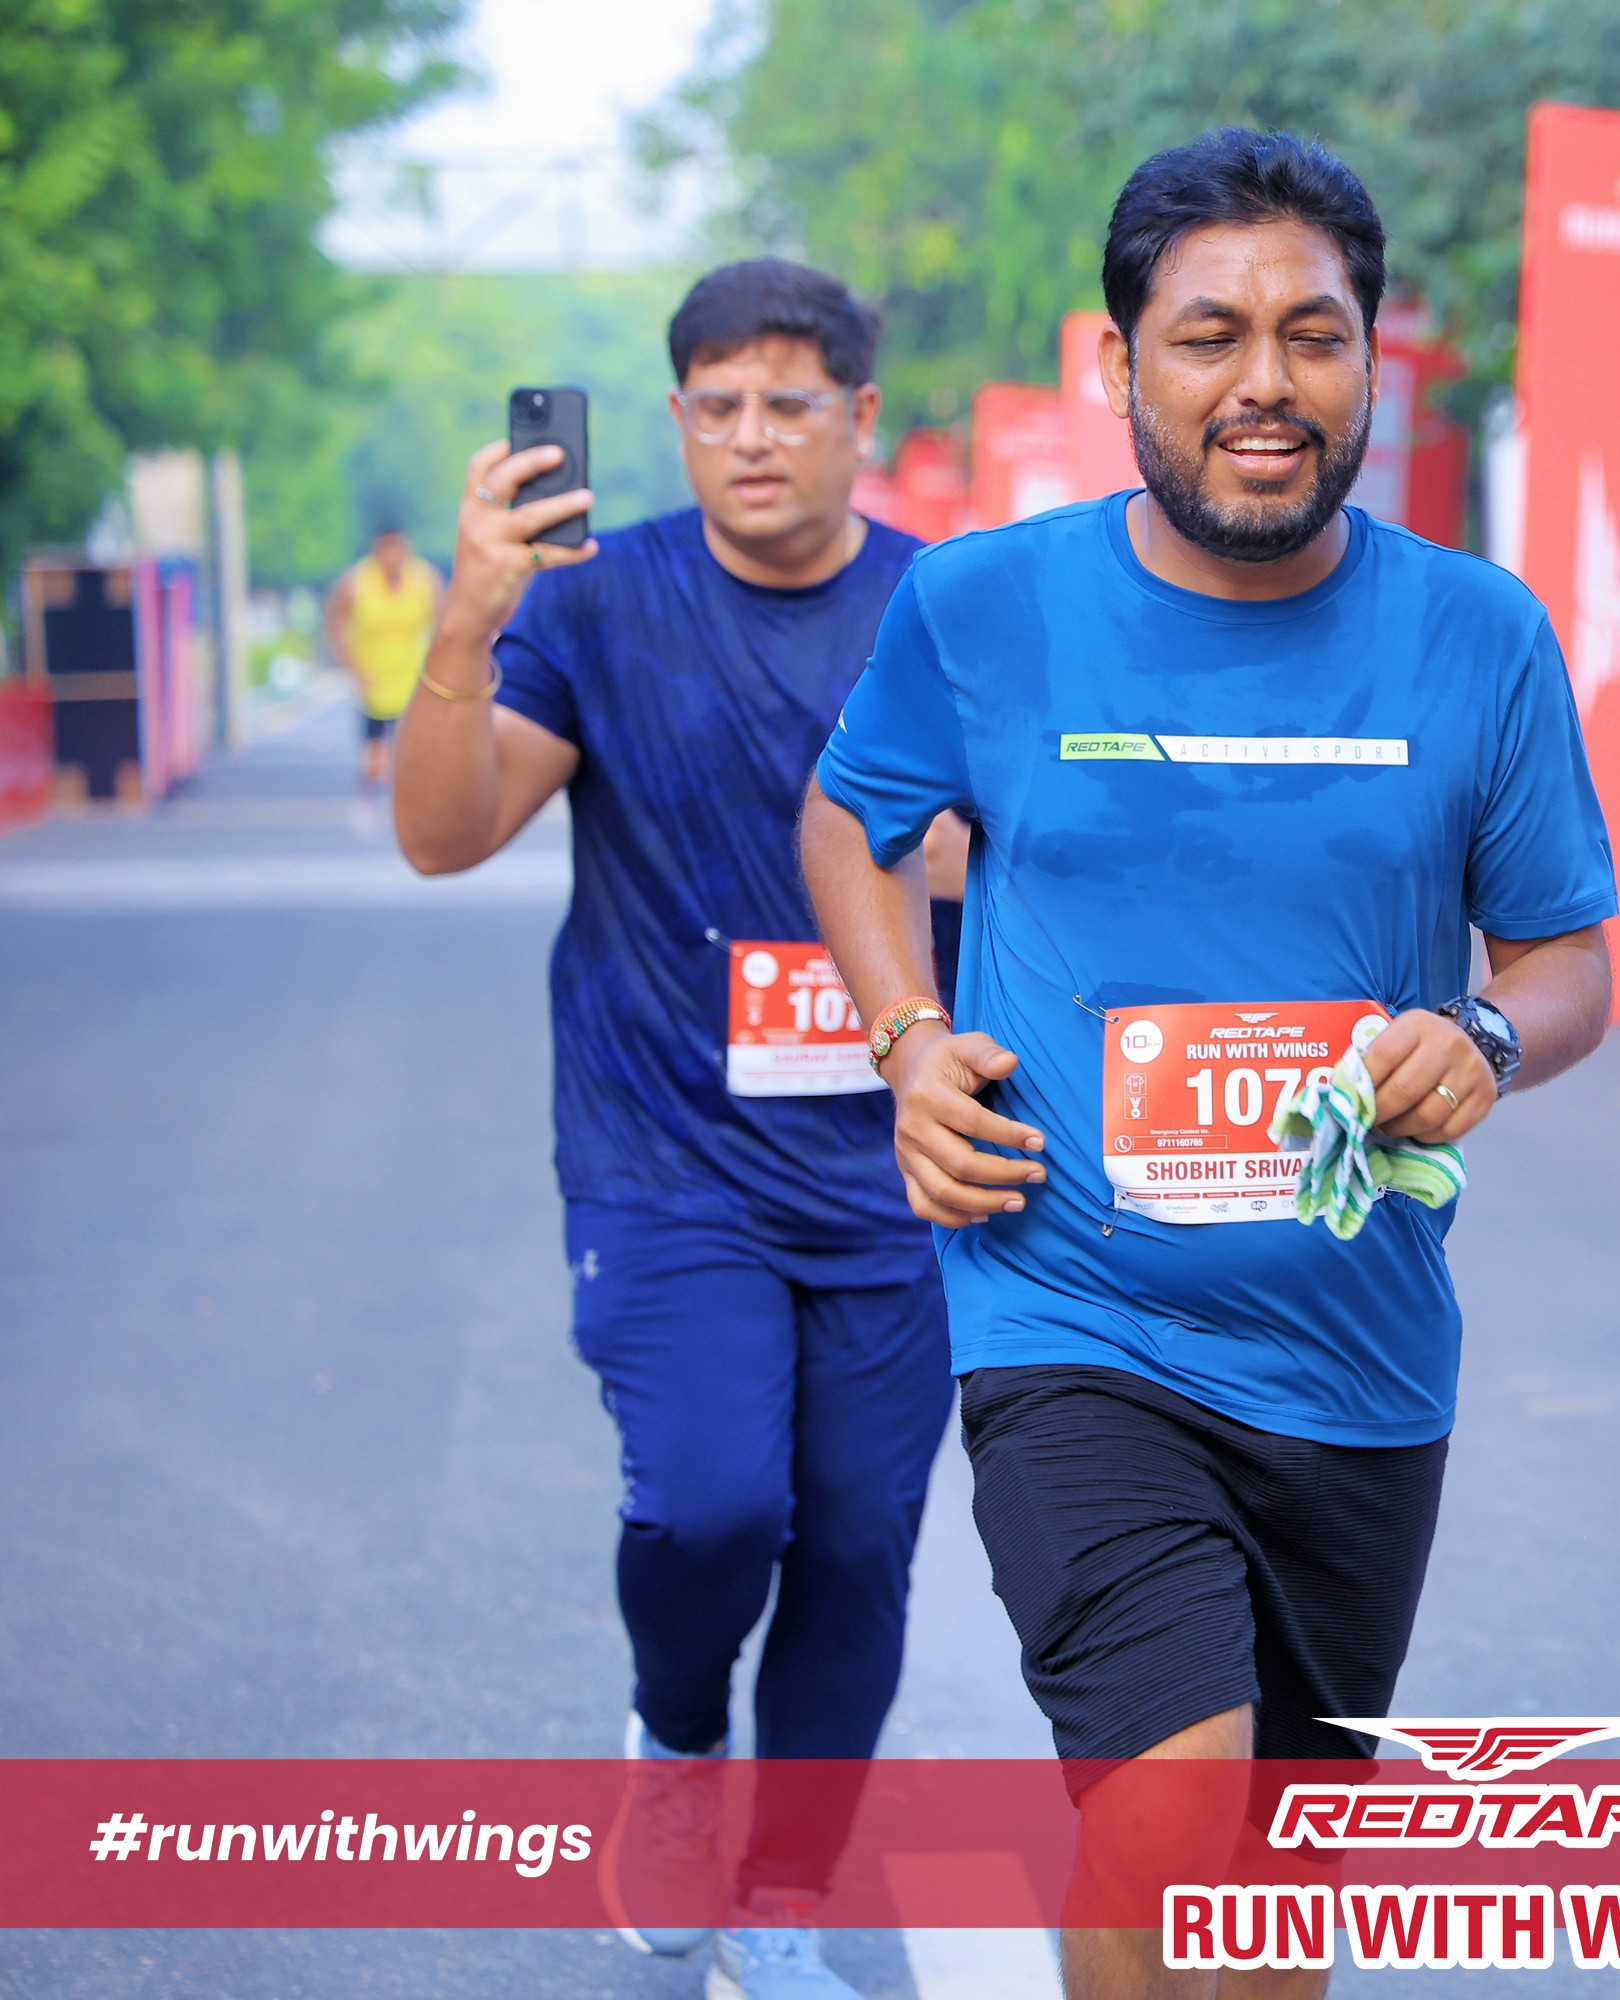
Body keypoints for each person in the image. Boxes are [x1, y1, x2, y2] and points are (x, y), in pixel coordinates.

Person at [801, 128, 1617, 1999]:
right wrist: (909, 1038)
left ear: (1371, 360)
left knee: (1269, 1909)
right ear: (1122, 364)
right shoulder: (986, 608)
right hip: (1071, 1313)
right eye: (1210, 335)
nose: (1267, 382)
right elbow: (851, 819)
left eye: (1314, 335)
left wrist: (1486, 1037)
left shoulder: (1477, 636)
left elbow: (1563, 962)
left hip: (1357, 1352)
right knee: (1170, 1819)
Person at [393, 258, 948, 2000]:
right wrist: (468, 620)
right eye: (717, 405)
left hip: (902, 1171)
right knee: (712, 1503)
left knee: (855, 1545)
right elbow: (444, 835)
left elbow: (1027, 846)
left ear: (863, 418)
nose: (752, 435)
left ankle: (779, 1911)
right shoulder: (597, 603)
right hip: (666, 1160)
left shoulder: (945, 613)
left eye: (790, 401)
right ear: (675, 421)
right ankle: (680, 1735)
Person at [321, 522, 439, 805]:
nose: (393, 557)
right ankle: (369, 800)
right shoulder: (356, 581)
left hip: (413, 677)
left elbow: (442, 622)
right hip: (374, 678)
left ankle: (412, 802)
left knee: (414, 750)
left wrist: (437, 664)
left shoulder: (424, 579)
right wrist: (351, 665)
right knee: (375, 757)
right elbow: (335, 622)